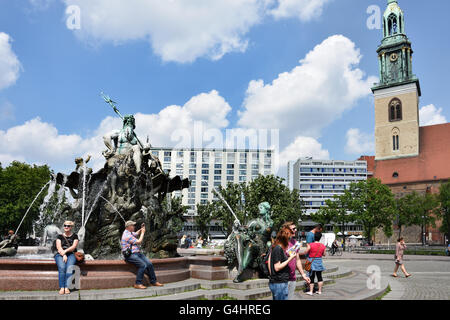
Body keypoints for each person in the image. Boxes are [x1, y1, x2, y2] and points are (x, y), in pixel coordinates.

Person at [121, 220, 163, 289]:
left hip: (137, 253)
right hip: (130, 255)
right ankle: (138, 283)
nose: (134, 227)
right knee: (143, 265)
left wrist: (141, 229)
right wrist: (143, 233)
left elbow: (136, 234)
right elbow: (139, 241)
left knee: (149, 264)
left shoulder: (129, 232)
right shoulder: (127, 235)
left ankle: (153, 281)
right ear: (129, 227)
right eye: (133, 225)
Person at [281, 222, 311, 300]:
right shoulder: (280, 243)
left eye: (295, 228)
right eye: (293, 229)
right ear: (287, 230)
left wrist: (303, 275)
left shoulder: (295, 243)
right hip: (282, 278)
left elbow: (297, 260)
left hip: (292, 277)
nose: (296, 230)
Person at [268, 228, 297, 300]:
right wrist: (291, 258)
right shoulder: (278, 249)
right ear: (285, 239)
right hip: (279, 283)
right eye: (289, 238)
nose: (289, 241)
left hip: (279, 282)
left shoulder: (278, 248)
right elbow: (277, 267)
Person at [54, 221, 79, 295]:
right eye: (65, 225)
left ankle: (67, 287)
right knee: (62, 267)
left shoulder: (75, 236)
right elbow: (58, 247)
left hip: (71, 254)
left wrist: (65, 252)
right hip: (60, 254)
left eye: (68, 226)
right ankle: (62, 287)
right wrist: (63, 254)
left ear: (71, 227)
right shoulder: (60, 236)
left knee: (70, 268)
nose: (66, 227)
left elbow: (74, 247)